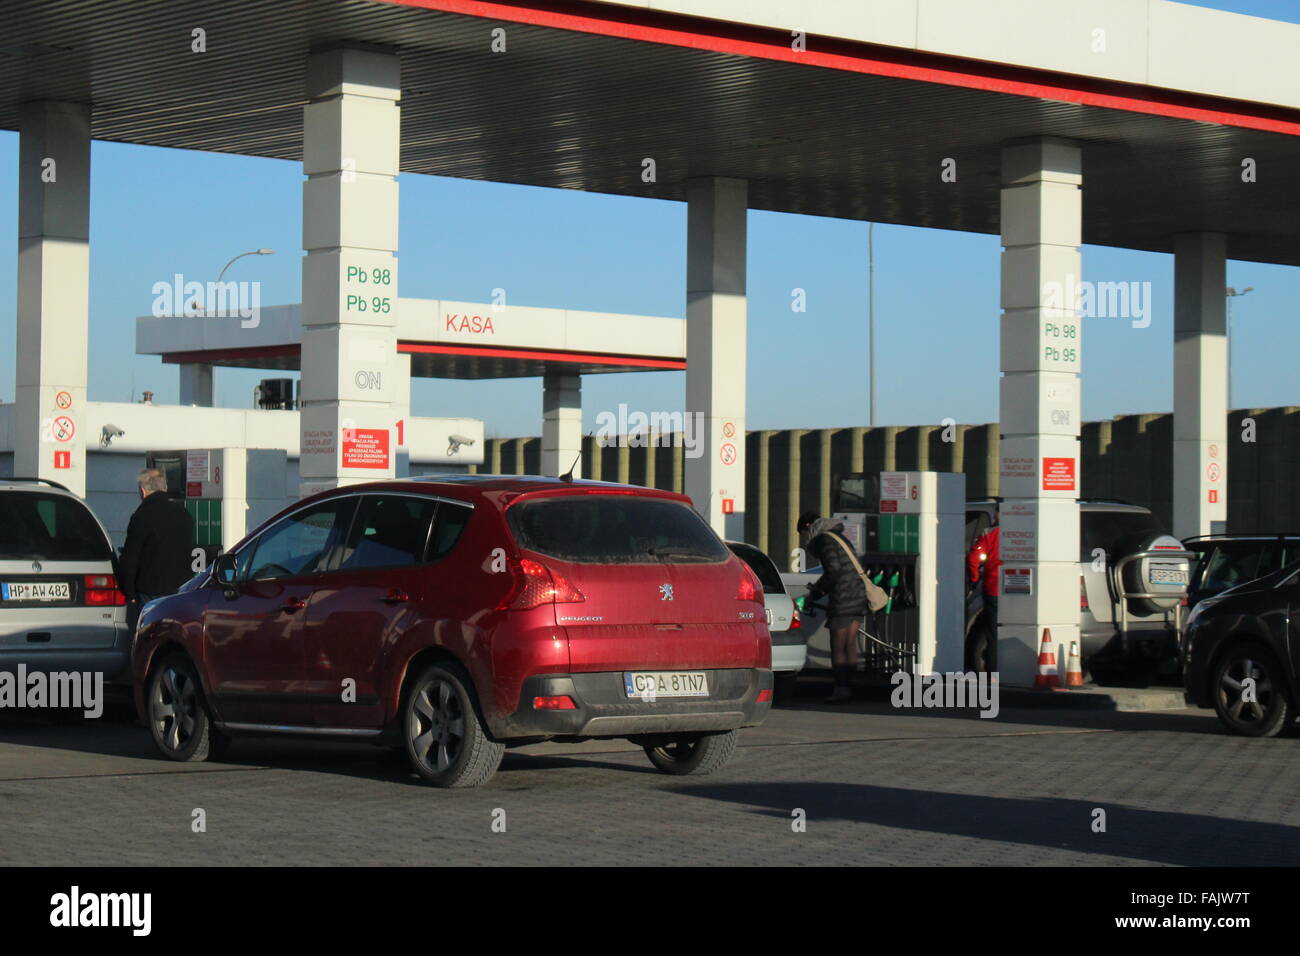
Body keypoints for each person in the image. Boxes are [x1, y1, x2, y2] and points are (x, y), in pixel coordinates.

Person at [804, 516, 870, 704]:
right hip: (858, 595)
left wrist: (816, 592)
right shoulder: (840, 538)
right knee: (849, 644)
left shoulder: (824, 540)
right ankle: (849, 687)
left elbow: (833, 570)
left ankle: (841, 689)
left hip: (844, 597)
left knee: (838, 646)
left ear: (809, 528)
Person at [118, 469, 194, 623]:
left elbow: (130, 559)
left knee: (148, 634)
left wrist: (129, 593)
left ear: (143, 490)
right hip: (179, 588)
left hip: (150, 591)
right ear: (165, 488)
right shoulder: (183, 514)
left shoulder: (141, 516)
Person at [967, 520, 1001, 631]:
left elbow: (973, 558)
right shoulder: (1025, 532)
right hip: (1018, 589)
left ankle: (991, 648)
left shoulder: (990, 532)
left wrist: (974, 579)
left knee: (992, 630)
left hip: (993, 587)